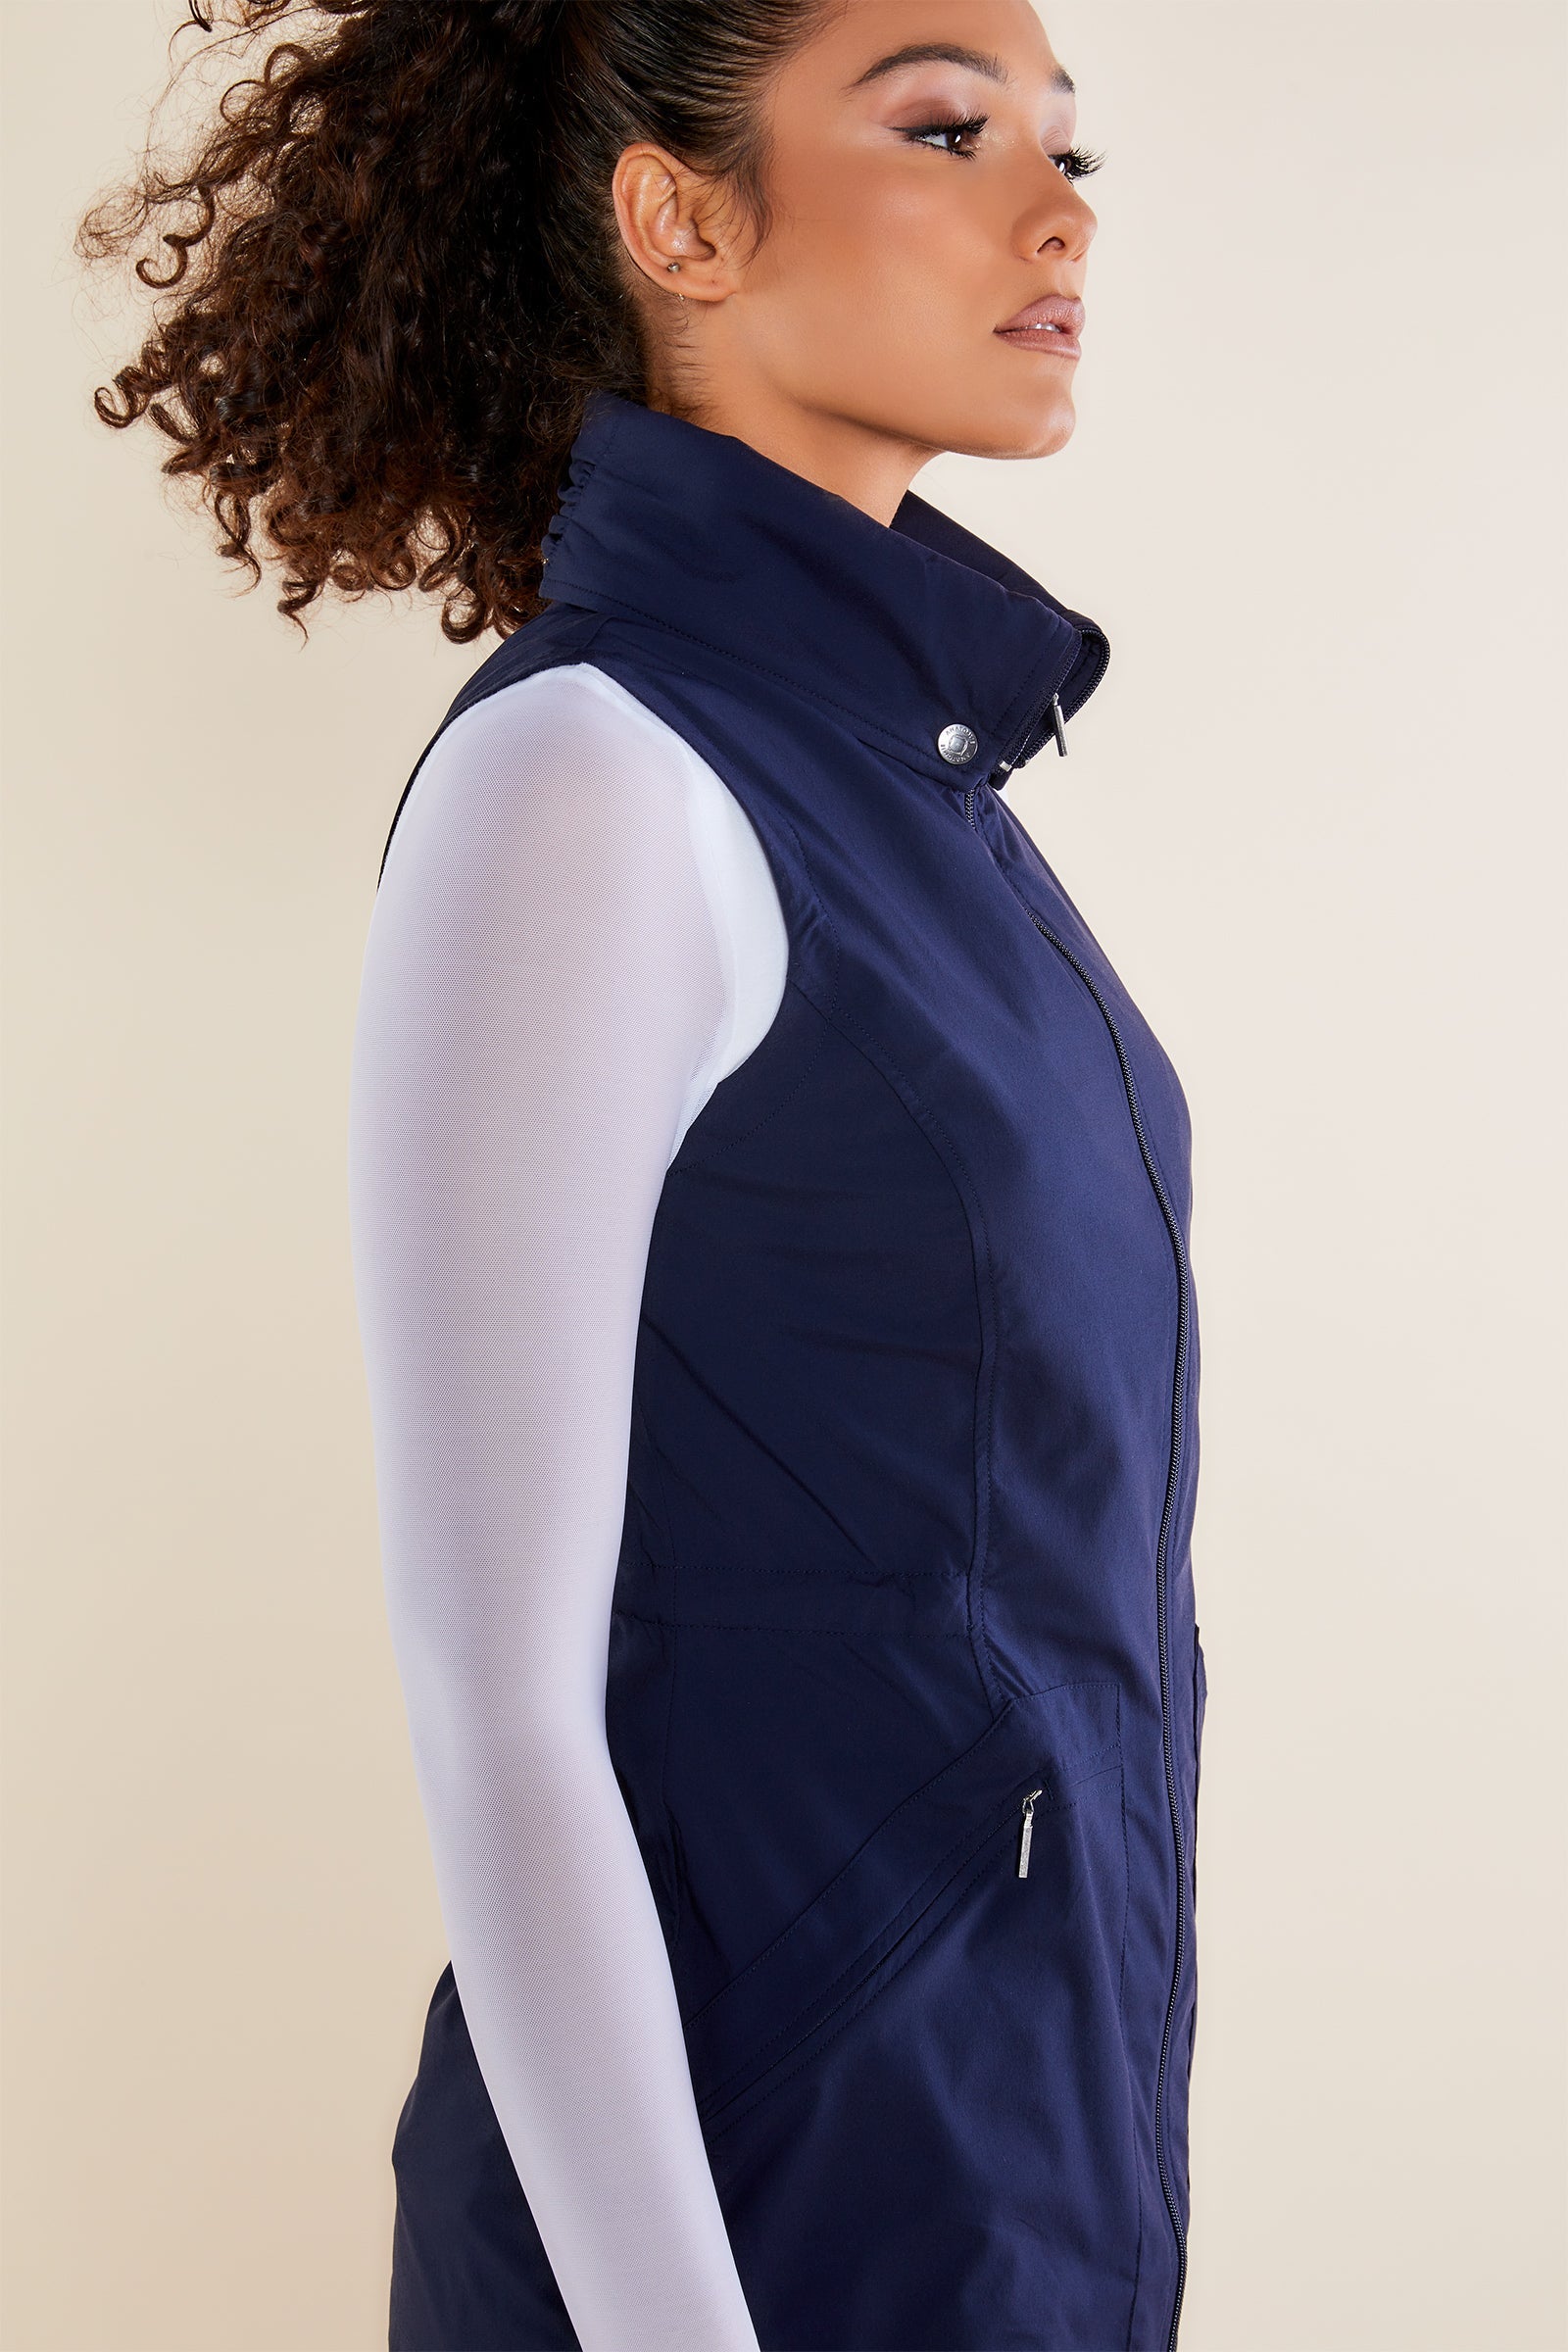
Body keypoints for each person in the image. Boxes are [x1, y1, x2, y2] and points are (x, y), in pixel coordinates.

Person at [80, 2, 1207, 2346]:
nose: (1056, 213)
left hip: (996, 2175)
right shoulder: (589, 785)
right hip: (715, 2233)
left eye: (1068, 150)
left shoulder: (927, 808)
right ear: (680, 221)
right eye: (943, 128)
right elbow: (495, 1704)